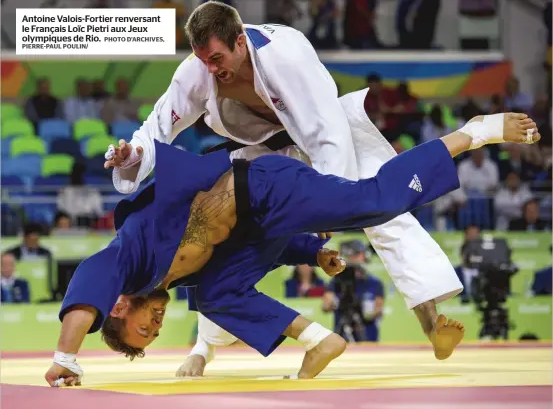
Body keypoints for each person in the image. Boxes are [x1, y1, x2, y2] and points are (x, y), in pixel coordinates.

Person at [104, 1, 468, 360]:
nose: (210, 69)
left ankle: (431, 323)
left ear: (240, 41)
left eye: (217, 58)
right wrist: (132, 155)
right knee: (221, 238)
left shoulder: (287, 55)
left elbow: (327, 133)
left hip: (325, 134)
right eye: (203, 59)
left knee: (384, 214)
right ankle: (204, 347)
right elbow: (159, 126)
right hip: (262, 152)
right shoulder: (197, 70)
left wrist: (328, 206)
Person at [85, 113, 538, 383]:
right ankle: (422, 326)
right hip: (273, 194)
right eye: (154, 335)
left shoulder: (138, 256)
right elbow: (221, 270)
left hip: (290, 153)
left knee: (380, 208)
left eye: (146, 329)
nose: (157, 326)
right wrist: (308, 253)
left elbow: (168, 123)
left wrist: (135, 155)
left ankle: (477, 130)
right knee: (218, 288)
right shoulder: (166, 275)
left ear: (122, 308)